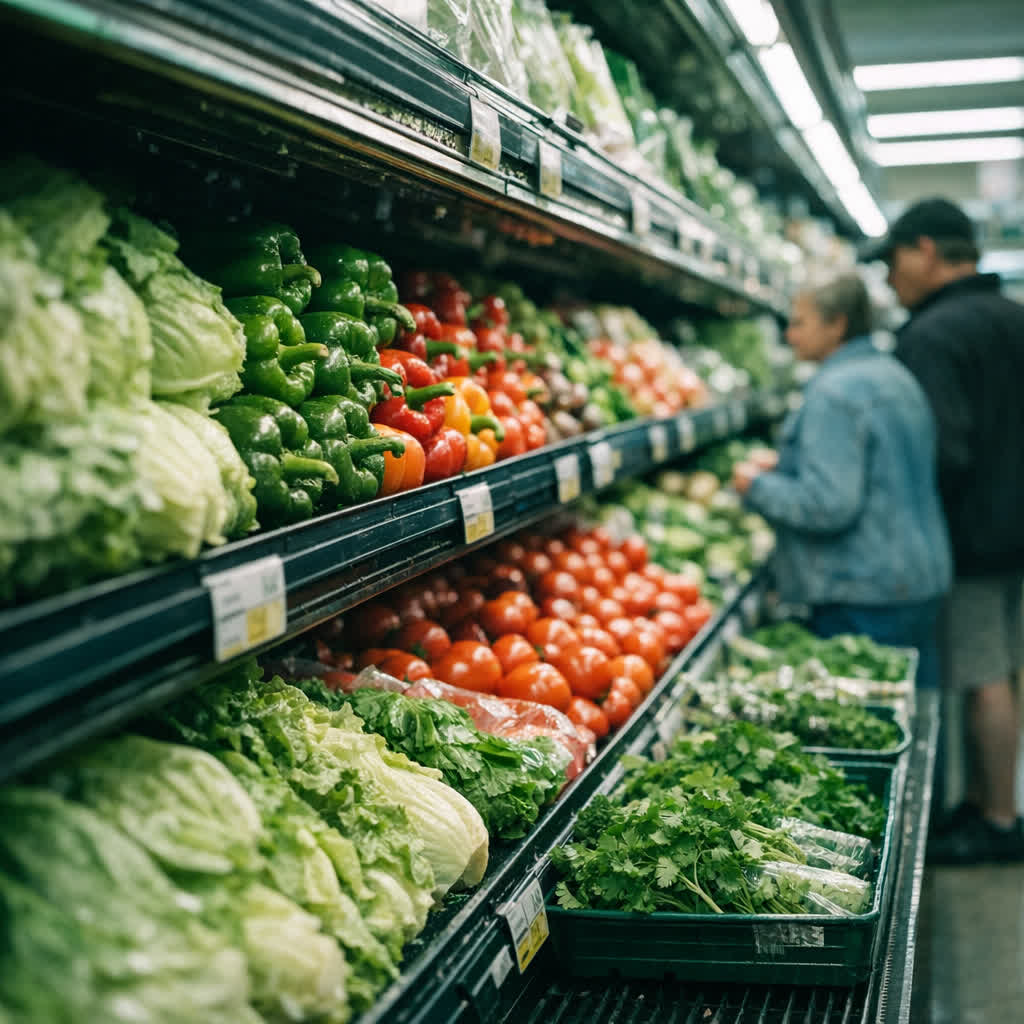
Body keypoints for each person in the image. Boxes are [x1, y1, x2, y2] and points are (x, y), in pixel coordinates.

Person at [866, 198, 1024, 864]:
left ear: (925, 250)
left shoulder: (933, 335)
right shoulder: (1013, 315)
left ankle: (995, 821)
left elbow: (943, 451)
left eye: (894, 261)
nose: (890, 279)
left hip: (972, 539)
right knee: (1005, 668)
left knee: (982, 674)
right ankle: (989, 804)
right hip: (1015, 527)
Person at [732, 273, 951, 692]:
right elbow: (878, 469)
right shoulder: (894, 374)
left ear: (837, 325)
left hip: (863, 591)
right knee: (912, 717)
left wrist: (756, 486)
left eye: (800, 323)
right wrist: (788, 464)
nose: (789, 335)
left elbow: (828, 505)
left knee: (869, 723)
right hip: (919, 577)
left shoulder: (834, 392)